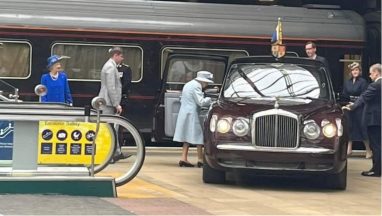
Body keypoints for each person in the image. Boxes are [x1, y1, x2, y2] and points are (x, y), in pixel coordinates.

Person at [343, 63, 381, 177]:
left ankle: (376, 170)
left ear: (376, 72)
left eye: (371, 73)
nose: (370, 76)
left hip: (374, 119)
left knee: (376, 145)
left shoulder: (375, 85)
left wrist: (351, 106)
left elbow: (363, 98)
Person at [173, 71, 213, 167]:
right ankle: (200, 160)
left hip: (184, 113)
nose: (206, 85)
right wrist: (210, 100)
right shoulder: (197, 86)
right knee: (199, 136)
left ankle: (183, 158)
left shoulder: (188, 84)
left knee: (186, 137)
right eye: (207, 83)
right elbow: (201, 102)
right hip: (192, 114)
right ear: (203, 81)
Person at [98, 47, 129, 162]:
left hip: (107, 101)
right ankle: (110, 155)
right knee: (109, 129)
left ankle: (116, 152)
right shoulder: (111, 68)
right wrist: (117, 104)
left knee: (111, 128)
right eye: (121, 56)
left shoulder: (110, 66)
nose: (122, 58)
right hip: (109, 102)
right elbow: (111, 87)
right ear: (116, 55)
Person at [342, 62, 371, 158]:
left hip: (360, 107)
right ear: (351, 71)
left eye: (357, 70)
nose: (355, 71)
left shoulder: (363, 82)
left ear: (360, 71)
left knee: (362, 128)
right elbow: (345, 94)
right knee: (349, 127)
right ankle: (349, 149)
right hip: (349, 107)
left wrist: (355, 104)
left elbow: (364, 96)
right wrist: (346, 104)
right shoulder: (347, 82)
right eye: (353, 70)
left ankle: (368, 150)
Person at [117, 62, 132, 148]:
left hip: (121, 99)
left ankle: (119, 145)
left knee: (119, 125)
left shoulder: (125, 69)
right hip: (112, 100)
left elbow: (126, 84)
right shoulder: (110, 67)